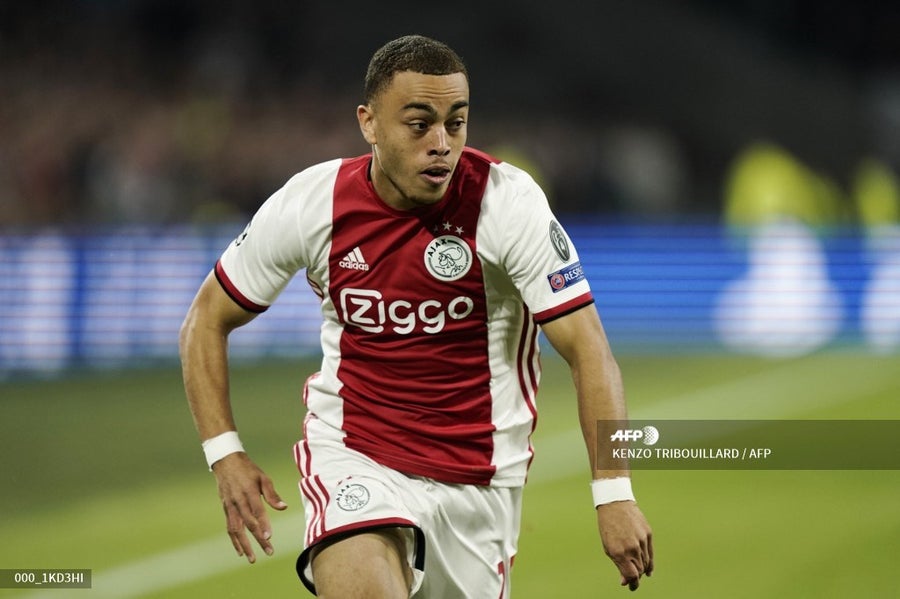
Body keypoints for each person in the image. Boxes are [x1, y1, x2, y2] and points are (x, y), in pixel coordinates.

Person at [180, 34, 653, 597]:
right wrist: (225, 454)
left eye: (456, 123)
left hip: (479, 482)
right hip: (355, 454)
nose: (442, 144)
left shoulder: (506, 204)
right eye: (419, 124)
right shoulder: (313, 203)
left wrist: (613, 492)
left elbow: (589, 349)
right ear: (369, 123)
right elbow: (205, 319)